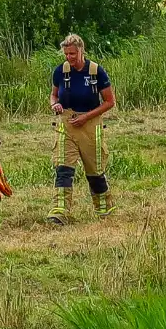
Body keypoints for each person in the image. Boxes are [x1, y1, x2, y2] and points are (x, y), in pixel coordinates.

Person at [46, 34, 117, 225]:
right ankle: (60, 211)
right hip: (66, 124)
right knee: (63, 168)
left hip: (90, 124)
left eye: (73, 53)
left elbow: (110, 102)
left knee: (94, 170)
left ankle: (103, 208)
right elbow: (53, 95)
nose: (69, 57)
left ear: (81, 51)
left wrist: (86, 117)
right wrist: (55, 105)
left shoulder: (96, 72)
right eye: (66, 53)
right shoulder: (60, 71)